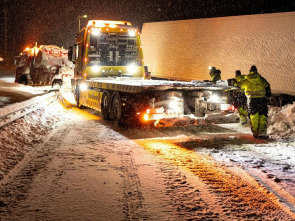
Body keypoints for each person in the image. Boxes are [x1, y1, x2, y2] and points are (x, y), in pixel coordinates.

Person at [240, 65, 271, 138]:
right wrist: (268, 96)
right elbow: (267, 86)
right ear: (256, 71)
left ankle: (255, 133)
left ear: (250, 71)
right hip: (261, 100)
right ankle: (262, 133)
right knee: (262, 115)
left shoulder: (246, 80)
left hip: (251, 100)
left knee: (254, 116)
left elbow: (240, 86)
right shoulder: (261, 79)